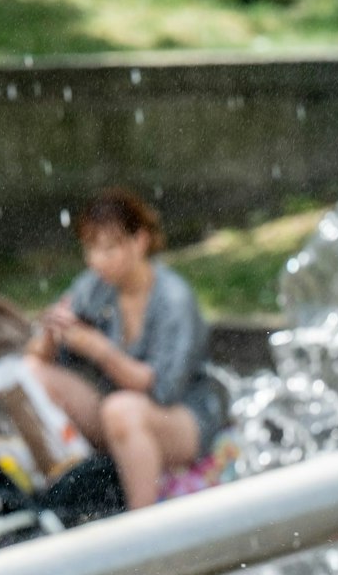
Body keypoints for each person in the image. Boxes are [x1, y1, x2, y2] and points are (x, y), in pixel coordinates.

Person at [24, 189, 227, 510]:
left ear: (140, 241)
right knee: (33, 377)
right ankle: (65, 495)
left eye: (109, 248)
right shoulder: (94, 286)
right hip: (116, 413)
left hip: (180, 417)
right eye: (90, 249)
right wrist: (52, 332)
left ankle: (140, 526)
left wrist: (100, 349)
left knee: (121, 409)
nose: (97, 260)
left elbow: (163, 388)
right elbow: (36, 358)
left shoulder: (173, 299)